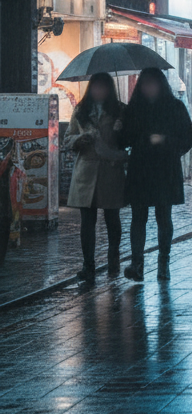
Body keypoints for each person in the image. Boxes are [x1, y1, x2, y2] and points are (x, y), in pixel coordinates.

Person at [119, 68, 192, 282]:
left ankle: (164, 263)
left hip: (165, 168)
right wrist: (121, 130)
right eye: (145, 84)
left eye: (153, 84)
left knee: (164, 216)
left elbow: (187, 138)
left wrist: (165, 142)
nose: (149, 88)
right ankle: (137, 263)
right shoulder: (133, 109)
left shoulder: (175, 107)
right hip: (140, 167)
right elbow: (124, 140)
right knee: (138, 217)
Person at [65, 72, 127, 280]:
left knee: (112, 218)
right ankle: (88, 265)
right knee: (87, 221)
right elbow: (68, 138)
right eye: (95, 87)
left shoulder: (120, 110)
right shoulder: (81, 110)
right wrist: (81, 139)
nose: (99, 91)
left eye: (103, 87)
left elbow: (129, 141)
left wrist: (120, 130)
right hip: (86, 171)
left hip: (110, 170)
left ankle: (113, 260)